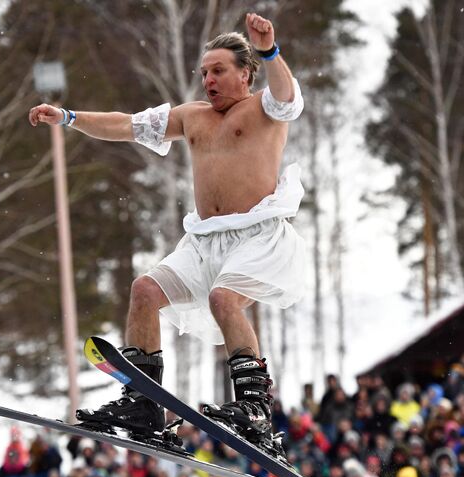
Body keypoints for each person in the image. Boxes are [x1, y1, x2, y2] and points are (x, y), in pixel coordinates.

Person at [28, 12, 305, 454]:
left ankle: (254, 406)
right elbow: (126, 124)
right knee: (144, 290)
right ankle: (143, 405)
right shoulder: (192, 117)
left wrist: (270, 49)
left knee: (223, 299)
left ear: (245, 73)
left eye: (218, 71)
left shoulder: (265, 107)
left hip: (258, 237)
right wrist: (68, 116)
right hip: (204, 242)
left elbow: (288, 95)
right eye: (203, 73)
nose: (208, 81)